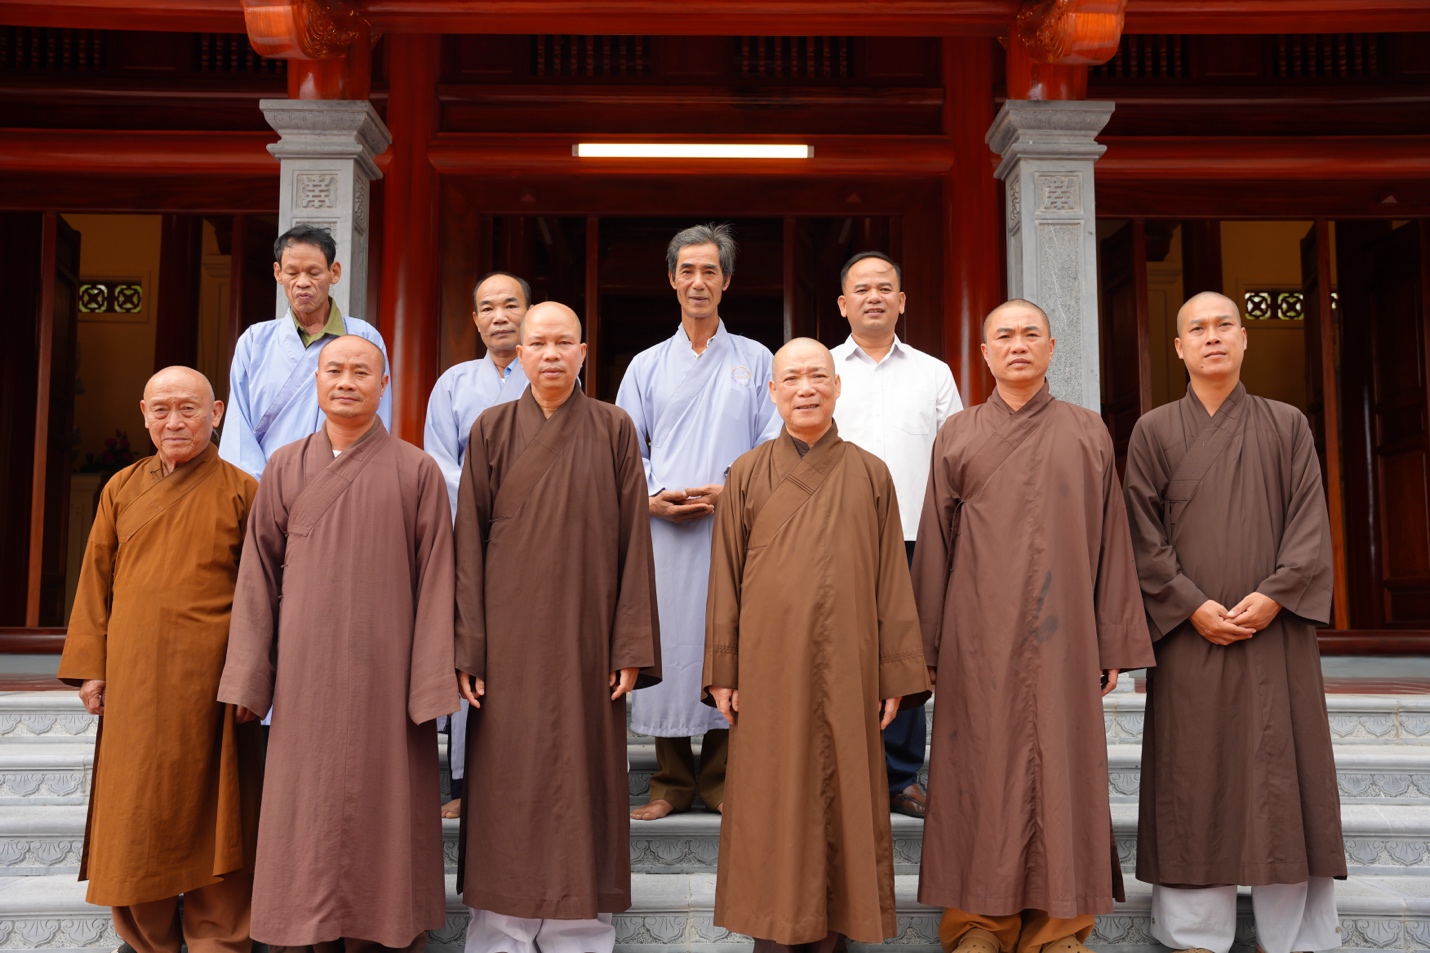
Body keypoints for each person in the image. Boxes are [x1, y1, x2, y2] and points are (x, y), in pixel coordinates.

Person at [911, 299, 1154, 953]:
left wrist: (1113, 638)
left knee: (1063, 768)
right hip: (974, 632)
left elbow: (1112, 542)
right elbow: (934, 545)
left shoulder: (1087, 431)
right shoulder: (958, 434)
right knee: (975, 771)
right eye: (1003, 336)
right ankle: (977, 922)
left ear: (1051, 349)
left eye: (1029, 334)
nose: (1017, 345)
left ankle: (1060, 925)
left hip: (1068, 631)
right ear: (984, 354)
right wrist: (927, 644)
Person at [218, 335, 457, 953]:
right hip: (305, 672)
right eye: (334, 371)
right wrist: (250, 675)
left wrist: (430, 681)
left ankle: (385, 931)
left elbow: (437, 581)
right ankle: (306, 931)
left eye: (361, 371)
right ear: (317, 383)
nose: (346, 381)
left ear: (385, 385)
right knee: (307, 804)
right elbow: (256, 575)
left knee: (387, 804)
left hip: (389, 674)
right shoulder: (283, 467)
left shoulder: (416, 469)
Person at [1123, 291, 1344, 953]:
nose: (1212, 337)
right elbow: (1141, 533)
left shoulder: (1285, 424)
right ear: (1180, 347)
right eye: (1198, 328)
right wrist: (1189, 604)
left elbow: (1310, 520)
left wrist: (1277, 594)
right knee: (1194, 775)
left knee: (1285, 771)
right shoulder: (1154, 431)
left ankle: (1297, 932)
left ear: (1244, 339)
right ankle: (1194, 931)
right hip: (1193, 632)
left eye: (1224, 326)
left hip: (1274, 630)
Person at [703, 337, 929, 952]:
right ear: (772, 392)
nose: (806, 387)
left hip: (849, 663)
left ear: (837, 386)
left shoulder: (870, 472)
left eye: (817, 376)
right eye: (792, 378)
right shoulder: (746, 473)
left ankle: (836, 930)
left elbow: (891, 579)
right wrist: (724, 668)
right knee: (773, 797)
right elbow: (724, 576)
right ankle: (774, 932)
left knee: (843, 794)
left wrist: (894, 673)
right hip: (767, 665)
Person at [455, 302, 660, 953]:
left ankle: (579, 932)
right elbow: (467, 545)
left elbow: (635, 539)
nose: (549, 353)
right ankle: (501, 932)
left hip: (587, 639)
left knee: (582, 777)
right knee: (506, 784)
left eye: (562, 342)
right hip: (508, 646)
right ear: (518, 351)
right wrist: (469, 646)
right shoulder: (491, 428)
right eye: (537, 342)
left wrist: (629, 642)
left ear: (582, 351)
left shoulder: (613, 427)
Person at [60, 366, 263, 953]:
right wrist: (92, 666)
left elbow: (261, 596)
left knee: (220, 814)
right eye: (162, 410)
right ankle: (148, 938)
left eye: (189, 409)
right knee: (137, 809)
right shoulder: (120, 487)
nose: (174, 422)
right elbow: (95, 580)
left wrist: (252, 676)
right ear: (144, 414)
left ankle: (219, 938)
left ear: (216, 413)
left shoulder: (242, 489)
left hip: (214, 683)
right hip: (136, 679)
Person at [617, 222, 779, 821]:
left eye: (710, 270)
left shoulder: (756, 358)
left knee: (727, 639)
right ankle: (669, 781)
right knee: (671, 642)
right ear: (671, 280)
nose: (698, 281)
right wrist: (653, 494)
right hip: (664, 525)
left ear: (727, 281)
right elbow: (626, 443)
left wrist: (735, 482)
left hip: (734, 523)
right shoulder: (647, 364)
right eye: (687, 270)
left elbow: (772, 437)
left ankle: (721, 777)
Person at [830, 250, 962, 819]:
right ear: (843, 304)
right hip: (837, 538)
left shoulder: (933, 372)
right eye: (862, 289)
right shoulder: (823, 369)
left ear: (902, 301)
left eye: (885, 287)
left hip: (915, 536)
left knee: (906, 656)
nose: (874, 296)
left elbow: (956, 456)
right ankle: (843, 771)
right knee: (840, 654)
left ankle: (901, 777)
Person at [424, 270, 531, 820]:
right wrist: (487, 502)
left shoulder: (551, 376)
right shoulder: (454, 383)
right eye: (487, 308)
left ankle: (525, 777)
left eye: (510, 306)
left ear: (527, 312)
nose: (499, 317)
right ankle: (465, 782)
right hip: (474, 537)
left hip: (538, 544)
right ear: (475, 320)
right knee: (473, 653)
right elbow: (440, 461)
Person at [220, 224, 391, 480]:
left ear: (334, 272)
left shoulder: (364, 337)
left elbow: (378, 418)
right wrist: (260, 491)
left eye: (313, 273)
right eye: (292, 272)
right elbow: (238, 430)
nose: (302, 283)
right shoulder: (255, 342)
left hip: (344, 485)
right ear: (277, 273)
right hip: (265, 487)